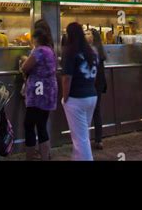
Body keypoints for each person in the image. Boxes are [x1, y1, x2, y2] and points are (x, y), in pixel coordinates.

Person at [61, 22, 98, 161]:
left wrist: (65, 98)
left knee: (80, 139)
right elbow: (95, 75)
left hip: (76, 98)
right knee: (82, 135)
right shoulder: (91, 52)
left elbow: (66, 78)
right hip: (91, 96)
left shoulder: (70, 51)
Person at [20, 25, 58, 160]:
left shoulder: (39, 51)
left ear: (36, 38)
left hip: (38, 94)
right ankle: (45, 156)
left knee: (29, 125)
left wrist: (24, 60)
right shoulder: (50, 50)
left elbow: (25, 67)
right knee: (41, 126)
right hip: (49, 93)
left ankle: (29, 157)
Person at [86, 28, 107, 150]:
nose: (86, 35)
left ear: (94, 37)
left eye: (88, 34)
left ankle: (96, 140)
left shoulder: (92, 51)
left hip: (94, 84)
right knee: (95, 111)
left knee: (93, 111)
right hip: (97, 84)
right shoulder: (98, 50)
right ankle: (97, 140)